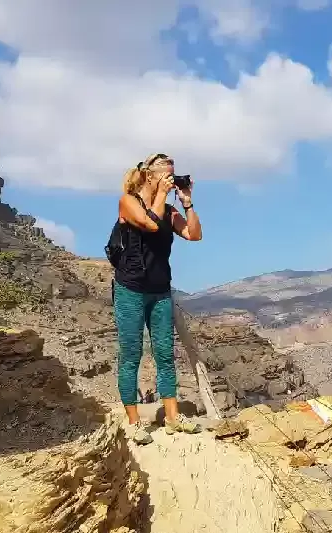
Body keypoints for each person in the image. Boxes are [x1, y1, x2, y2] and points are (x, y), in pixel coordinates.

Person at [114, 153, 203, 444]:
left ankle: (174, 418)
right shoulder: (128, 202)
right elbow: (151, 225)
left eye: (172, 175)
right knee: (131, 356)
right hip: (130, 290)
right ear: (149, 176)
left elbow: (194, 234)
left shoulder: (169, 209)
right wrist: (161, 194)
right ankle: (135, 421)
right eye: (166, 175)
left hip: (160, 291)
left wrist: (186, 202)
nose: (170, 180)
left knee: (165, 355)